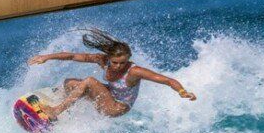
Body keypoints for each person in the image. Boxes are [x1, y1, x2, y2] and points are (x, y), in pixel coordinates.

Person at [26, 28, 196, 117]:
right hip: (108, 96)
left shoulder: (134, 71)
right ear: (109, 58)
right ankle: (63, 108)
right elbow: (71, 55)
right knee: (69, 82)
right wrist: (47, 56)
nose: (118, 66)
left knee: (90, 81)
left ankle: (57, 110)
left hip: (117, 108)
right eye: (115, 62)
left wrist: (182, 91)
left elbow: (167, 80)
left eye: (123, 62)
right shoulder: (102, 60)